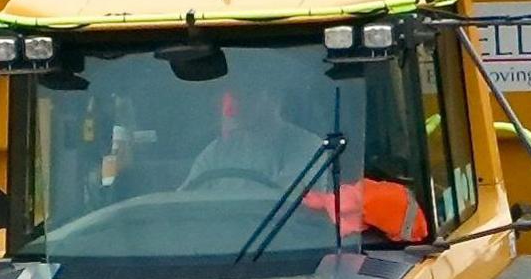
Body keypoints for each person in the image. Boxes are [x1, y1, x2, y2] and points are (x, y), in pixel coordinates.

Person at [181, 83, 429, 246]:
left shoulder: (305, 146)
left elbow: (287, 208)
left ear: (274, 97)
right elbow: (186, 197)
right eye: (236, 96)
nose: (238, 104)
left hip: (280, 247)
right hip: (216, 243)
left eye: (249, 94)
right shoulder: (219, 149)